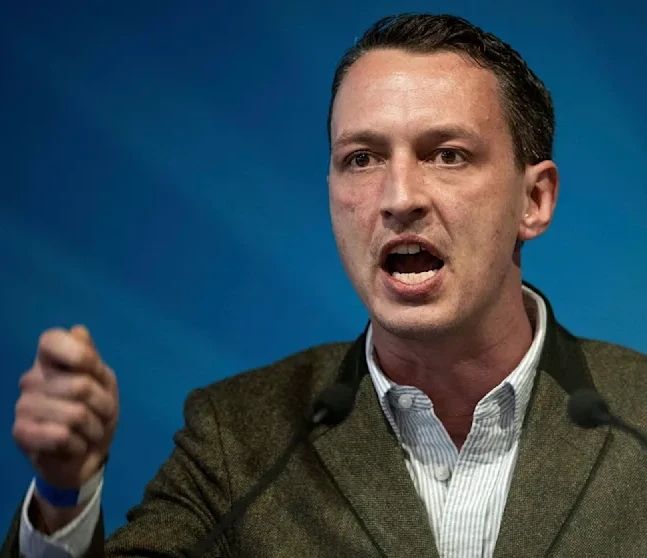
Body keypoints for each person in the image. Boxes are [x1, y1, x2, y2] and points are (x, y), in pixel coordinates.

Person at [3, 12, 647, 558]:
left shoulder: (637, 417)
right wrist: (64, 497)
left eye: (447, 154)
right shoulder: (239, 438)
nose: (399, 197)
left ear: (534, 200)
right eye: (361, 159)